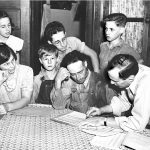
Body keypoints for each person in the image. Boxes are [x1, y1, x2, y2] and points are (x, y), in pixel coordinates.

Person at [83, 54, 150, 132]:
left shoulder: (145, 83)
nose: (111, 83)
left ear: (130, 79)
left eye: (115, 81)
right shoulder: (132, 69)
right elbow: (123, 101)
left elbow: (137, 124)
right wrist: (101, 110)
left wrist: (103, 121)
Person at [99, 13, 143, 103]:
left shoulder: (129, 51)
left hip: (118, 97)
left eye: (111, 29)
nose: (107, 32)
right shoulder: (102, 46)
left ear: (121, 30)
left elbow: (140, 74)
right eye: (106, 28)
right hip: (101, 92)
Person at [0, 43, 33, 115]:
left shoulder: (26, 71)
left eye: (13, 60)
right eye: (6, 64)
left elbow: (26, 99)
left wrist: (7, 107)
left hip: (23, 113)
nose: (12, 66)